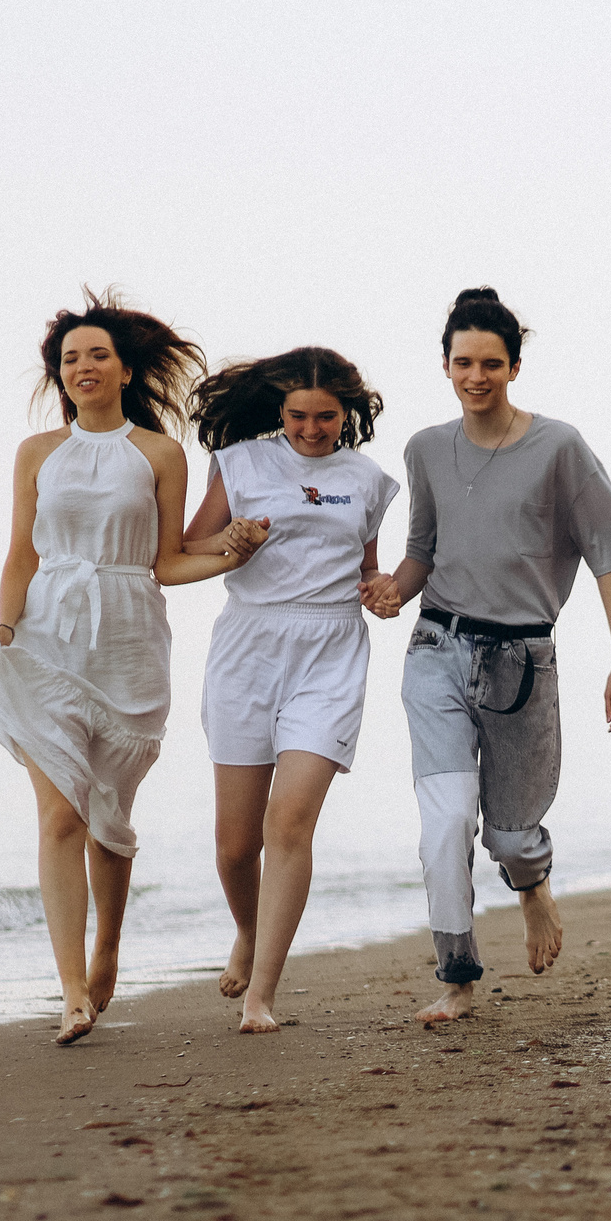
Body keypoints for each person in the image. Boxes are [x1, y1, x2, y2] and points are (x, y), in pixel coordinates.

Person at [0, 290, 262, 1046]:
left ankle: (108, 948)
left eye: (97, 353)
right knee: (61, 811)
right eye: (70, 358)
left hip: (130, 639)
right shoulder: (37, 453)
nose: (83, 366)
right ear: (60, 375)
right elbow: (21, 554)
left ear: (126, 367)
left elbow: (167, 561)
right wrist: (5, 623)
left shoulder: (159, 453)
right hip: (46, 636)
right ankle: (71, 988)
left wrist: (230, 550)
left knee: (110, 815)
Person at [359, 288, 611, 1025]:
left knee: (511, 835)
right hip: (437, 646)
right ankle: (457, 977)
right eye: (462, 362)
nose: (475, 376)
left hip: (521, 663)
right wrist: (393, 588)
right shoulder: (424, 448)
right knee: (446, 819)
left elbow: (606, 551)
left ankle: (533, 884)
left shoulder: (559, 447)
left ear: (514, 365)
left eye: (491, 363)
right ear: (445, 364)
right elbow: (423, 550)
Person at [182, 346, 399, 1034]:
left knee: (290, 824)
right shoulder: (240, 462)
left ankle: (262, 996)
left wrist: (381, 592)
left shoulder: (368, 480)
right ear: (279, 411)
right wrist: (233, 543)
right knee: (235, 844)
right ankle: (248, 929)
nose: (312, 429)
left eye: (327, 417)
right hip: (248, 648)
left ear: (349, 413)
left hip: (329, 652)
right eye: (299, 416)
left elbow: (367, 570)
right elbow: (190, 548)